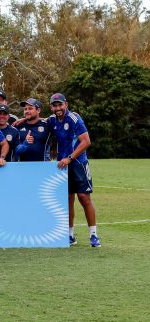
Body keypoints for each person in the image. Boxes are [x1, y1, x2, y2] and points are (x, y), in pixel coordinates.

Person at [49, 93, 100, 247]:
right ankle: (70, 235)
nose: (58, 108)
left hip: (78, 163)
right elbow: (39, 122)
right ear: (51, 107)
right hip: (63, 167)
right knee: (68, 199)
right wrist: (22, 120)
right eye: (55, 105)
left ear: (66, 104)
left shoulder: (74, 118)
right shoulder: (52, 120)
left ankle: (93, 235)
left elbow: (86, 141)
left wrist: (70, 158)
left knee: (84, 198)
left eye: (60, 105)